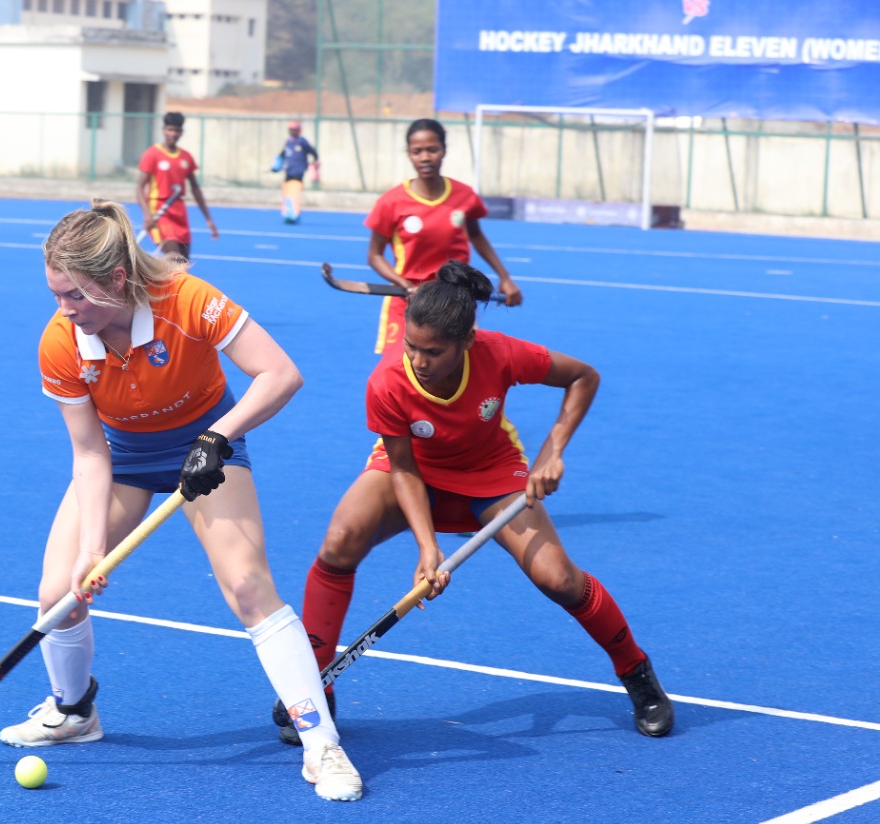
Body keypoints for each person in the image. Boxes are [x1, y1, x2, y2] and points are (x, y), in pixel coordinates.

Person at [0, 198, 363, 802]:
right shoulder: (62, 342)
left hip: (207, 446)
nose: (64, 311)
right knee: (58, 591)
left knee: (248, 586)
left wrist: (218, 437)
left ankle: (321, 744)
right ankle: (74, 713)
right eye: (56, 295)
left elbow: (280, 374)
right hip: (124, 459)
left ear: (117, 279)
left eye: (76, 296)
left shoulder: (186, 299)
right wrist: (93, 551)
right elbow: (89, 454)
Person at [276, 260, 673, 747]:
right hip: (410, 472)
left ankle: (636, 672)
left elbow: (583, 377)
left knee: (559, 579)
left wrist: (552, 452)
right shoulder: (387, 381)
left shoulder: (499, 353)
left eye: (433, 351)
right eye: (411, 347)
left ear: (467, 342)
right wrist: (427, 549)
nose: (418, 361)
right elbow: (402, 469)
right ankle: (317, 685)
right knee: (340, 542)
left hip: (490, 473)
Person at [365, 118, 520, 360]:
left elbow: (477, 236)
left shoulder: (464, 195)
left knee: (459, 372)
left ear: (444, 150)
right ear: (409, 154)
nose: (425, 157)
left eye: (432, 149)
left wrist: (505, 278)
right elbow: (374, 255)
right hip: (408, 301)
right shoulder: (391, 202)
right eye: (417, 151)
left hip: (455, 302)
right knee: (400, 373)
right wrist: (405, 286)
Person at [135, 111, 217, 261]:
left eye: (177, 130)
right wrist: (147, 215)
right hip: (160, 211)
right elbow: (140, 187)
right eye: (170, 129)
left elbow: (196, 189)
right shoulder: (152, 154)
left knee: (184, 264)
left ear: (182, 132)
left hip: (179, 212)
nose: (173, 133)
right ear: (163, 130)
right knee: (175, 260)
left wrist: (208, 219)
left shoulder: (186, 157)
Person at [272, 119, 319, 224]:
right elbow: (282, 154)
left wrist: (315, 162)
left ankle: (294, 214)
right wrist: (276, 166)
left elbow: (313, 151)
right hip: (288, 171)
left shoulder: (302, 142)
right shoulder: (288, 142)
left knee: (294, 193)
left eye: (295, 130)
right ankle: (287, 214)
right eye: (292, 129)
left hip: (298, 172)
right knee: (287, 194)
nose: (293, 131)